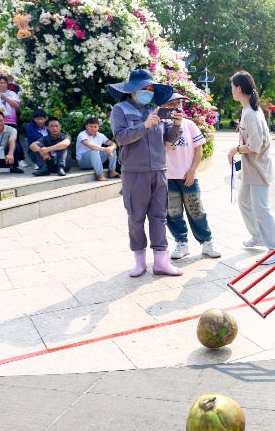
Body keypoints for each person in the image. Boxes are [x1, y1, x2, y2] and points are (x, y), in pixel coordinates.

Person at [109, 68, 184, 277]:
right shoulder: (120, 110)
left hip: (159, 171)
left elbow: (169, 137)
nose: (148, 92)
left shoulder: (157, 109)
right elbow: (121, 137)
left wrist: (177, 124)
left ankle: (161, 262)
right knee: (136, 217)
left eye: (151, 88)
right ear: (132, 90)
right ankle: (139, 261)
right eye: (144, 88)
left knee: (159, 217)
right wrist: (144, 125)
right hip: (135, 173)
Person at [227, 70, 275, 266]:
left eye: (232, 87)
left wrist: (235, 149)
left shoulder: (251, 114)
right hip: (251, 170)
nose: (231, 91)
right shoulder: (248, 111)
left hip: (259, 169)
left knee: (261, 210)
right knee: (243, 201)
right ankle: (258, 236)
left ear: (239, 88)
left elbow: (255, 146)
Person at [161, 93, 222, 260]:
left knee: (196, 210)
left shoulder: (190, 125)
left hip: (188, 177)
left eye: (179, 104)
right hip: (168, 178)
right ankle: (182, 242)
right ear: (164, 107)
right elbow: (163, 148)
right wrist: (173, 124)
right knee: (173, 212)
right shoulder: (161, 126)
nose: (177, 107)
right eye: (172, 104)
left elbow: (198, 149)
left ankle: (206, 242)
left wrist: (192, 171)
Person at [76, 117, 118, 181]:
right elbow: (90, 146)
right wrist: (105, 149)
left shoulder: (101, 135)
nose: (93, 129)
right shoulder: (82, 135)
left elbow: (113, 144)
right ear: (86, 127)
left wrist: (111, 148)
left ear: (98, 127)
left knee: (113, 150)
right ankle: (99, 175)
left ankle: (112, 172)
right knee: (94, 151)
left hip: (96, 159)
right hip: (83, 162)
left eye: (95, 126)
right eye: (91, 126)